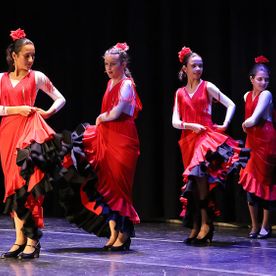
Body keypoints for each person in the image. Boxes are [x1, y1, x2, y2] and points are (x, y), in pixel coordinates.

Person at [59, 42, 142, 251]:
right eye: (106, 64)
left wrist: (100, 117)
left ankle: (124, 233)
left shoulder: (126, 84)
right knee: (106, 186)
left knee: (119, 187)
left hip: (122, 140)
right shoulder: (110, 84)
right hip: (105, 138)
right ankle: (113, 231)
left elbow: (115, 113)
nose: (109, 68)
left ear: (123, 63)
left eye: (113, 64)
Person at [172, 46, 249, 245]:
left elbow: (230, 104)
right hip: (188, 141)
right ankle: (197, 225)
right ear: (185, 68)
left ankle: (206, 225)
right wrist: (190, 125)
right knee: (195, 186)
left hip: (206, 140)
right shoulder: (180, 93)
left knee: (200, 179)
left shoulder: (207, 87)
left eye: (200, 66)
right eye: (194, 66)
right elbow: (174, 121)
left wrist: (224, 124)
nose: (198, 69)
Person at [0, 28, 66, 259]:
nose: (30, 60)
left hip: (29, 134)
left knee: (28, 185)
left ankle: (32, 240)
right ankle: (19, 238)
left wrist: (47, 113)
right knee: (13, 188)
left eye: (33, 56)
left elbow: (60, 98)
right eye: (26, 55)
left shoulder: (37, 77)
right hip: (8, 135)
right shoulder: (1, 79)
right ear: (14, 56)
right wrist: (16, 109)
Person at [239, 55, 276, 239]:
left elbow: (254, 119)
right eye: (260, 79)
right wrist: (247, 125)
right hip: (251, 143)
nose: (263, 82)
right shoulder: (246, 95)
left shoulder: (266, 95)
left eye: (266, 79)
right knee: (250, 184)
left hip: (266, 143)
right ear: (251, 79)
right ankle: (254, 225)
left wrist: (245, 123)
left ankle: (266, 225)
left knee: (267, 185)